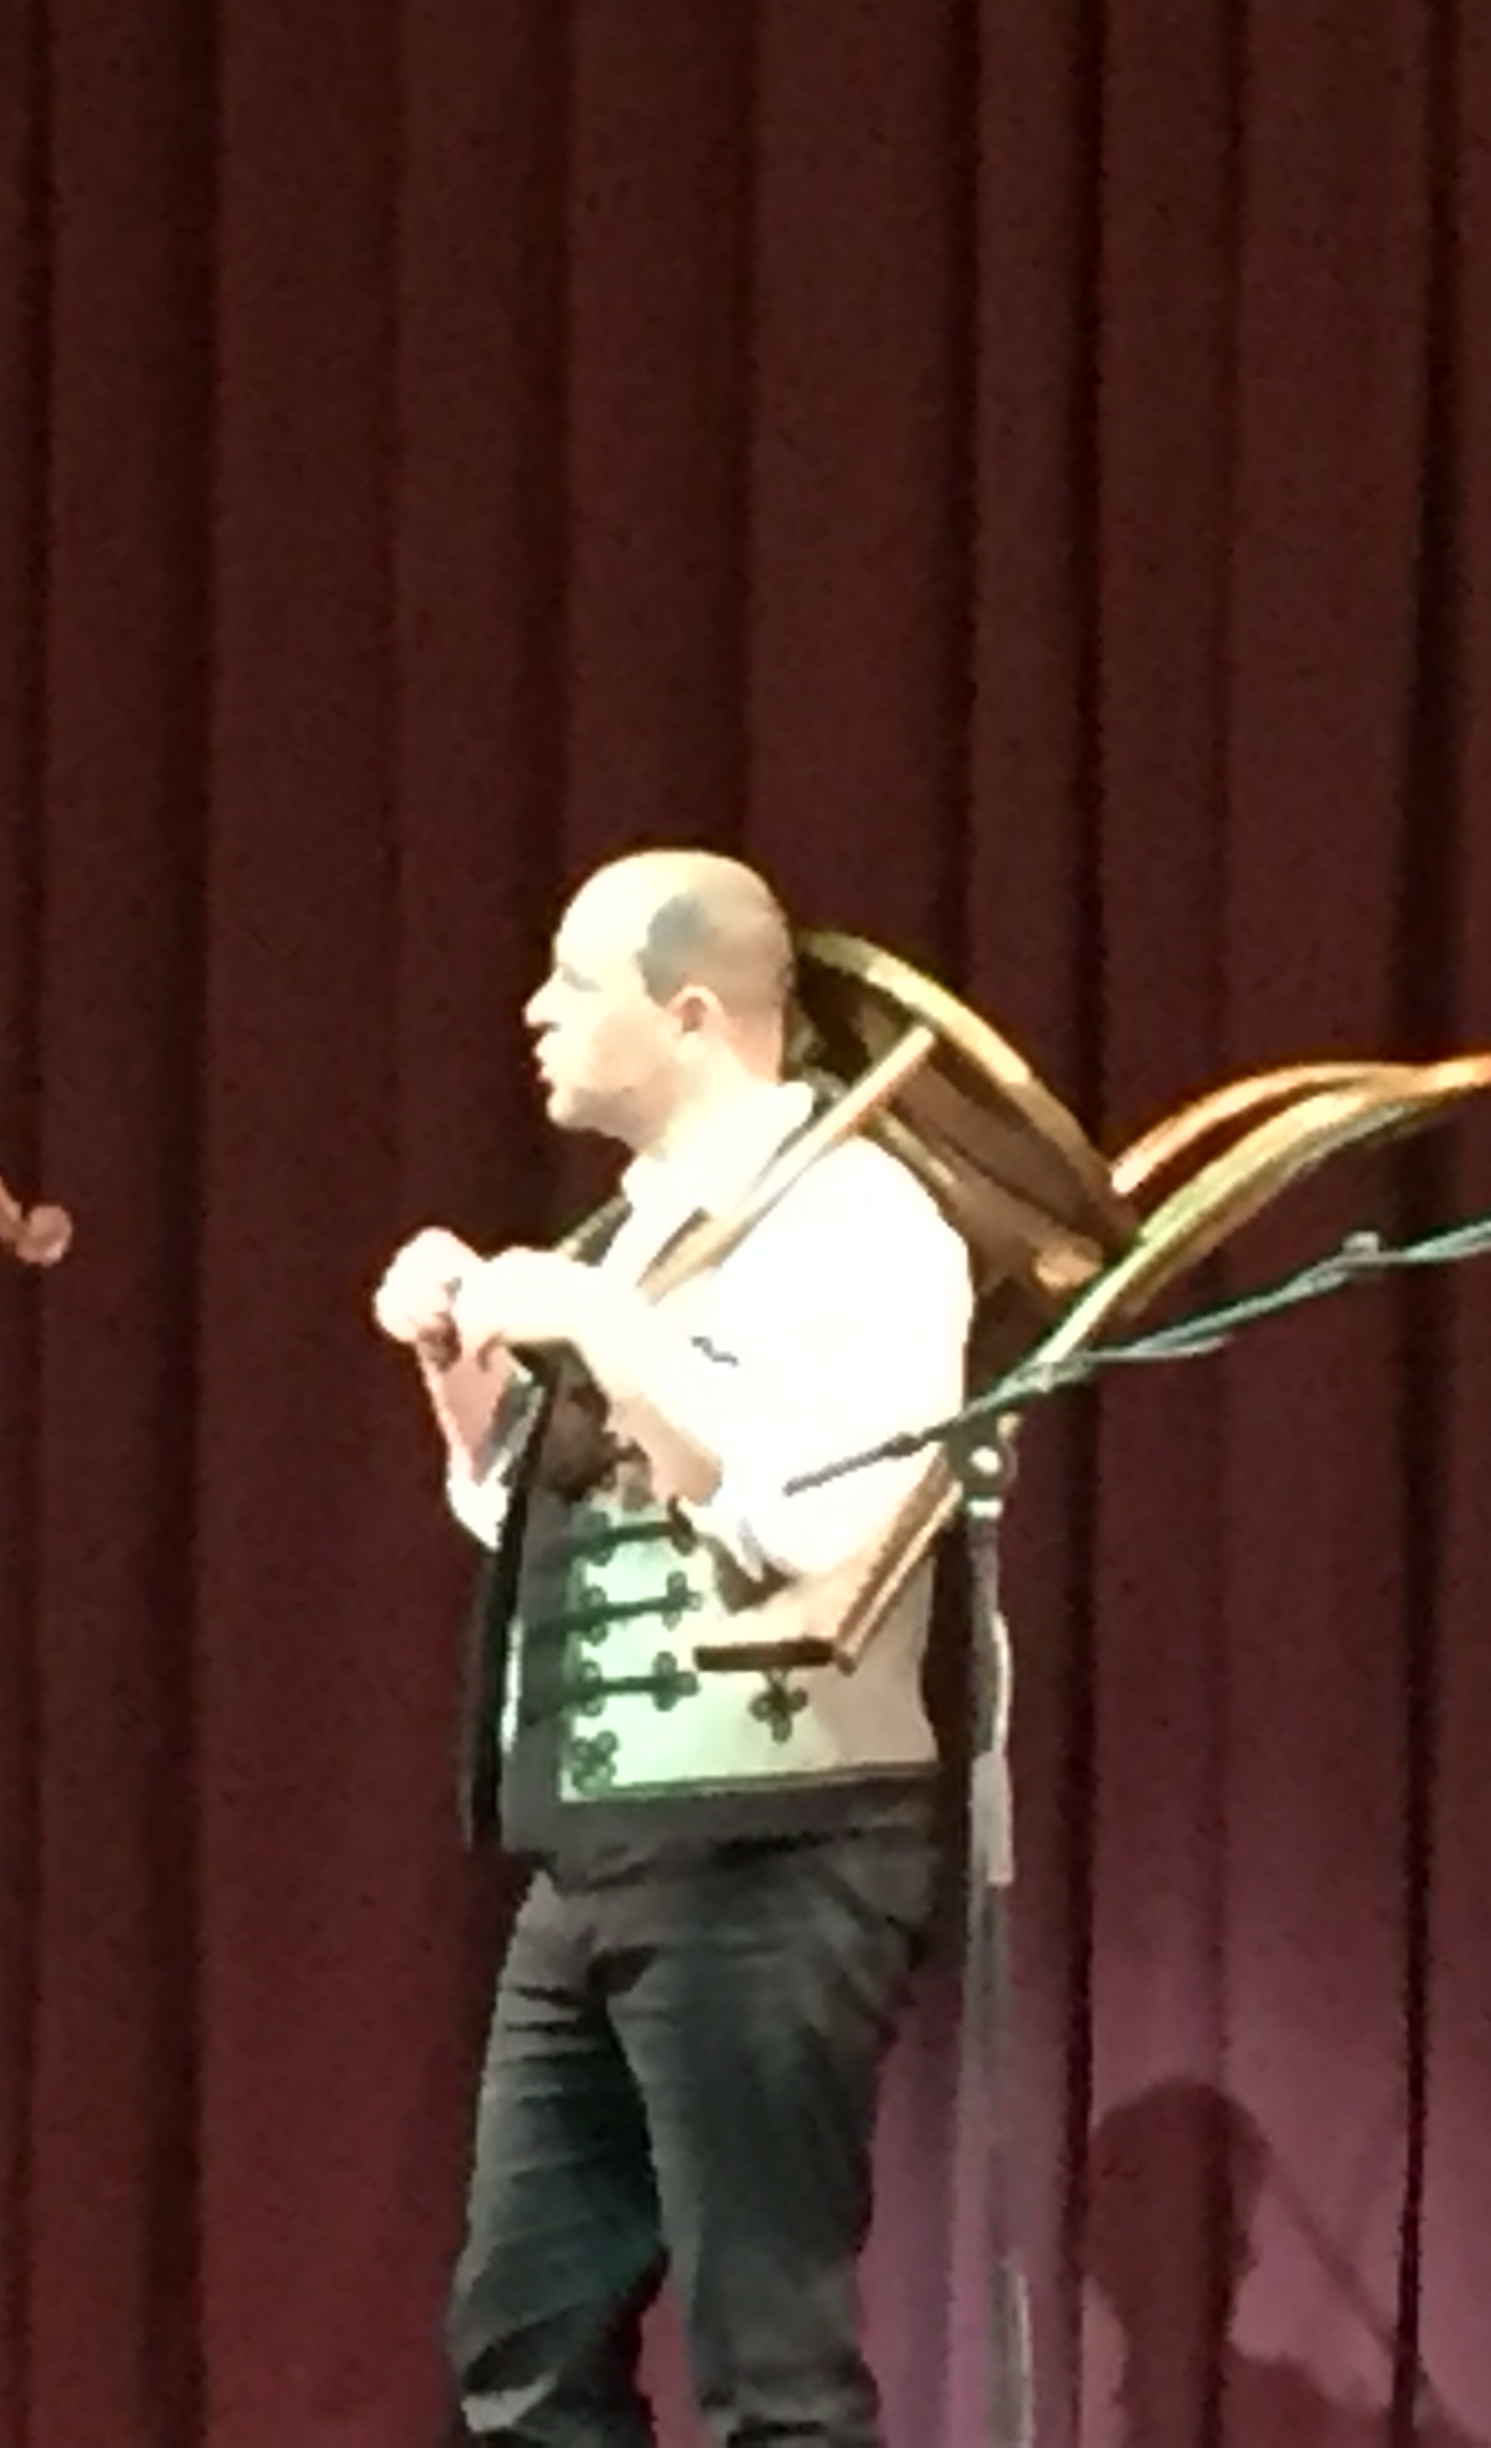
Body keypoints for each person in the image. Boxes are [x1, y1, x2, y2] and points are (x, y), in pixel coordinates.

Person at [373, 849, 975, 2446]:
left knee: (771, 2369)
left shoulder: (857, 1216)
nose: (534, 1011)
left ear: (694, 1014)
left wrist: (609, 1330)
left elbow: (828, 1518)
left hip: (775, 1850)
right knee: (521, 2351)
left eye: (574, 982)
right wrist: (465, 1373)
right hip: (599, 1852)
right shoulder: (635, 1231)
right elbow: (569, 1515)